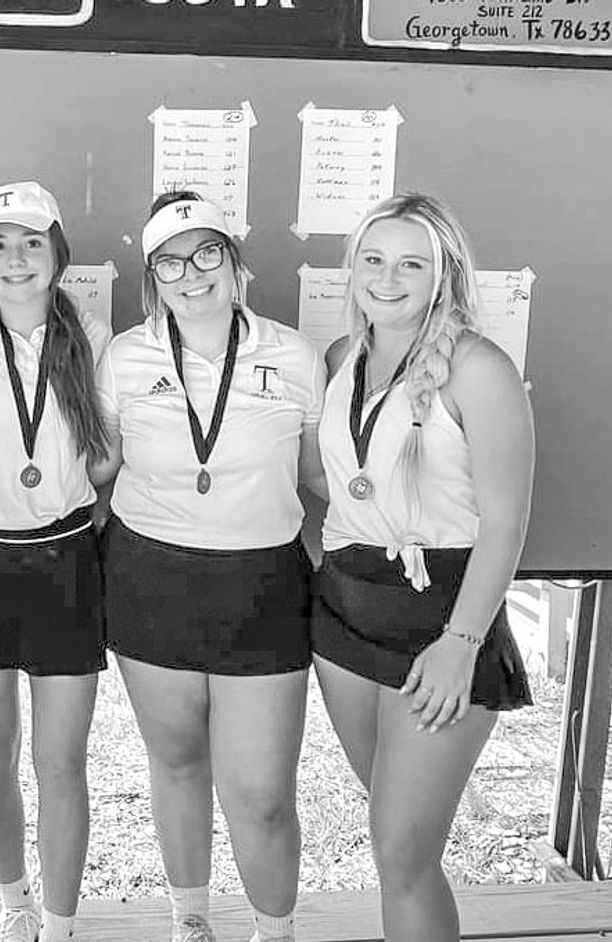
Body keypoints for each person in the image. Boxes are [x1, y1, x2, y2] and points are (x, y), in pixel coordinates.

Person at [92, 191, 325, 942]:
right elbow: (99, 467)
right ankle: (190, 921)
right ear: (151, 277)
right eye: (169, 261)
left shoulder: (296, 356)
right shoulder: (126, 356)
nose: (190, 274)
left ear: (236, 262)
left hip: (263, 587)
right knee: (179, 765)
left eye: (207, 253)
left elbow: (324, 475)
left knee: (260, 793)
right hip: (148, 580)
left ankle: (274, 931)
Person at [311, 193, 533, 942]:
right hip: (344, 613)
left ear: (444, 274)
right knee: (392, 840)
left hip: (440, 625)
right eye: (373, 259)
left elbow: (506, 522)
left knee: (403, 854)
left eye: (411, 263)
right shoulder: (344, 358)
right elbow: (343, 479)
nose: (388, 277)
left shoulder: (481, 369)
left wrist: (461, 643)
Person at [0, 181, 109, 942]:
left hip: (67, 561)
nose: (16, 259)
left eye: (32, 242)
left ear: (57, 253)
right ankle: (14, 904)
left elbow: (112, 456)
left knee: (61, 761)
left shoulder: (95, 338)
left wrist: (71, 484)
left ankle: (63, 922)